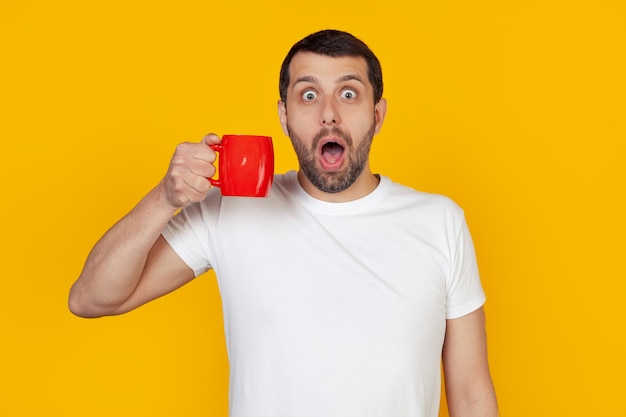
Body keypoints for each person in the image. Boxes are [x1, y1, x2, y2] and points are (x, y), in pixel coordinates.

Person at [69, 29, 498, 417]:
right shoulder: (230, 210)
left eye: (348, 94)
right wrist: (164, 197)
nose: (329, 114)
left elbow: (471, 393)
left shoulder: (439, 221)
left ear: (378, 114)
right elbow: (92, 299)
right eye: (308, 96)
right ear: (284, 116)